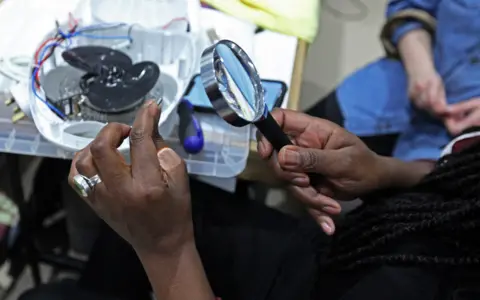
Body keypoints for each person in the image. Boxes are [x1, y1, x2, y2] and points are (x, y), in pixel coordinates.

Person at [21, 102, 480, 300]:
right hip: (330, 258)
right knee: (182, 205)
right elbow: (458, 175)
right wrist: (381, 171)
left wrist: (166, 252)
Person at [307, 0, 480, 159]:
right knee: (295, 140)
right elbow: (408, 7)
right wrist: (420, 69)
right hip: (391, 91)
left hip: (454, 151)